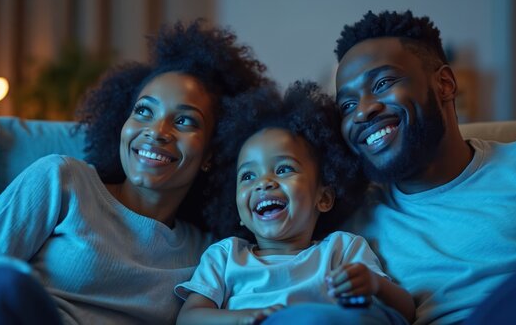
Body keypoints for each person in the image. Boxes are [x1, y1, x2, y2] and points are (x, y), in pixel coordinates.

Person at [0, 20, 271, 325]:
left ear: (211, 153)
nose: (157, 132)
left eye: (184, 121)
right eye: (144, 112)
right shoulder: (63, 180)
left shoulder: (209, 251)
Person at [332, 10, 516, 324]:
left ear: (444, 84)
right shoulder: (351, 220)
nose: (362, 112)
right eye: (347, 105)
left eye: (383, 83)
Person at [174, 82, 415, 325]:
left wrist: (375, 285)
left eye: (283, 169)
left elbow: (405, 313)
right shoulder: (225, 256)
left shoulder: (341, 249)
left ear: (323, 198)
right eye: (248, 176)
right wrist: (242, 319)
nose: (264, 183)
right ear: (237, 209)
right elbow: (188, 318)